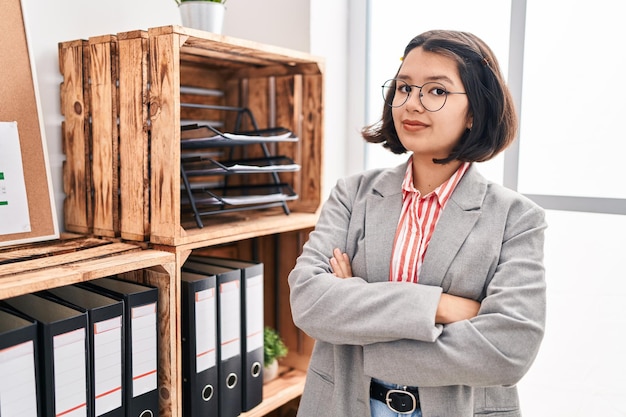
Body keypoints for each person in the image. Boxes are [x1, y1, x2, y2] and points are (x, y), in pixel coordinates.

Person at [288, 29, 547, 417]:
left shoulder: (516, 217)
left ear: (475, 110)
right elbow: (309, 302)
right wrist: (442, 307)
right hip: (346, 403)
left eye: (437, 91)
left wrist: (359, 315)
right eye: (404, 88)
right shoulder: (352, 193)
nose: (412, 104)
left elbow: (509, 349)